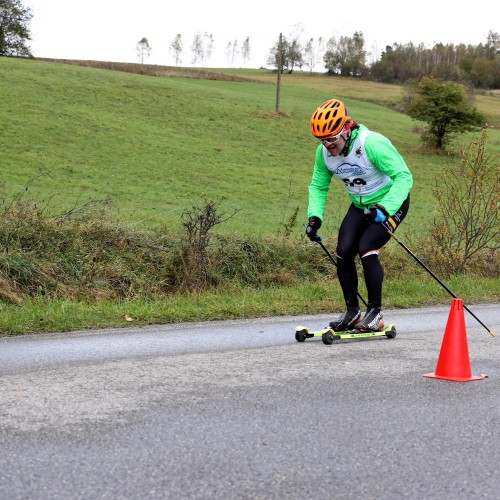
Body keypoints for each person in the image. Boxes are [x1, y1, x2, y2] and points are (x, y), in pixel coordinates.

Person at [306, 98, 413, 333]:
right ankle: (353, 312)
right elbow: (318, 185)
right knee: (343, 252)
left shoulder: (371, 143)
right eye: (322, 140)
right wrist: (314, 216)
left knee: (367, 248)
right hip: (359, 206)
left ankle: (375, 313)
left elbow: (404, 177)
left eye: (331, 139)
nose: (327, 145)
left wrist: (386, 208)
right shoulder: (324, 154)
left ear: (346, 128)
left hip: (390, 203)